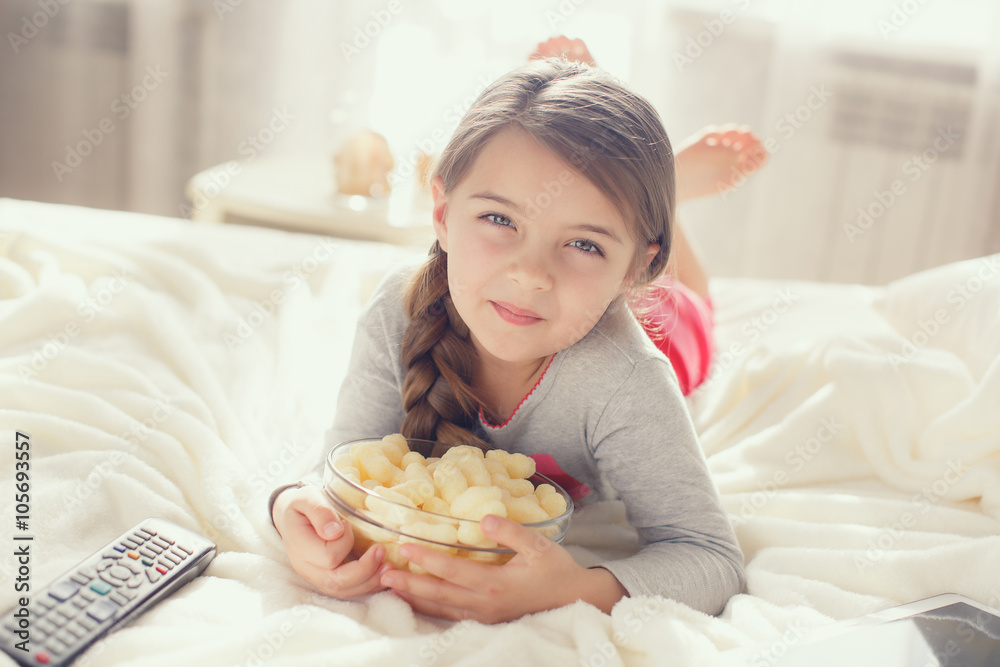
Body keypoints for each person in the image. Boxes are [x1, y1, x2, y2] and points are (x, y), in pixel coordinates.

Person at [269, 39, 767, 624]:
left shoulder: (629, 379)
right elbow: (334, 470)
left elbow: (710, 557)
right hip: (600, 286)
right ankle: (612, 189)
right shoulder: (398, 311)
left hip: (666, 329)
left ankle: (666, 200)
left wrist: (575, 590)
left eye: (585, 243)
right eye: (499, 219)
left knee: (693, 304)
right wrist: (291, 510)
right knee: (596, 215)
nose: (530, 275)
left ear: (634, 266)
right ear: (441, 214)